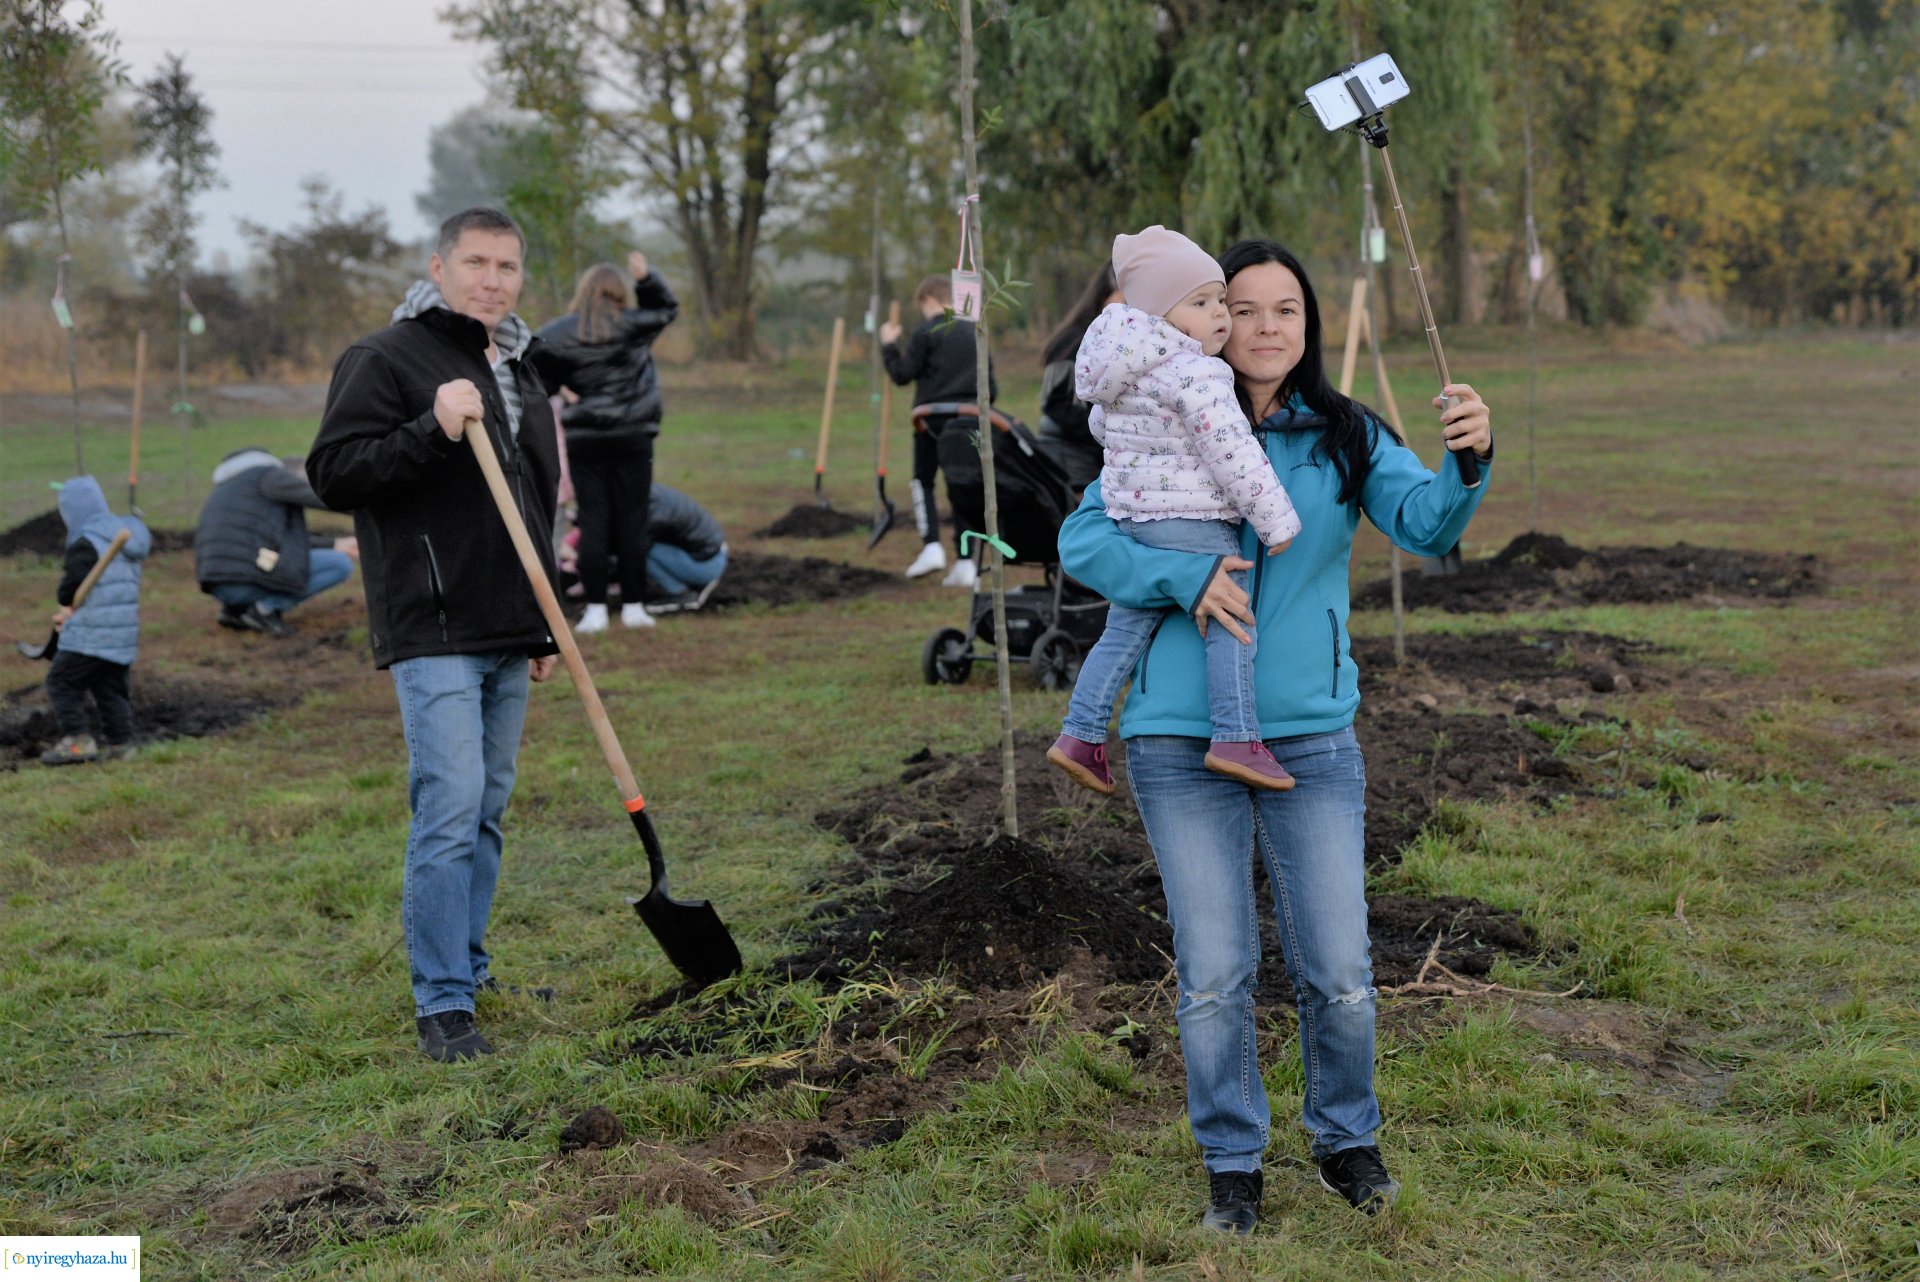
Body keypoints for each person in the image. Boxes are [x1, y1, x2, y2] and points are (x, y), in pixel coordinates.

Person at [1056, 238, 1493, 1236]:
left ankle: (1347, 1141)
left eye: (1284, 310)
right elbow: (1085, 535)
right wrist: (1182, 577)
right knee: (1215, 974)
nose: (1261, 327)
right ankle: (1232, 1165)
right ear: (1207, 318)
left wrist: (1470, 457)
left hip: (1311, 739)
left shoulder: (1345, 435)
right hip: (1179, 737)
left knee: (1338, 969)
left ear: (1307, 326)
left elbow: (1428, 526)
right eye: (1240, 307)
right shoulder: (1159, 409)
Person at [308, 207, 562, 1064]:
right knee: (449, 808)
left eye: (508, 267)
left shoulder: (518, 367)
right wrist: (430, 426)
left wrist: (545, 619)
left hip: (506, 620)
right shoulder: (388, 357)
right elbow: (335, 471)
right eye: (477, 263)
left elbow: (534, 504)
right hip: (434, 621)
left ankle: (470, 965)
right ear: (440, 266)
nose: (493, 280)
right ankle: (443, 1003)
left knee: (486, 810)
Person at [1047, 226, 1303, 796]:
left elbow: (1103, 429)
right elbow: (1233, 453)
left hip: (1136, 519)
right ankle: (1237, 736)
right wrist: (1275, 522)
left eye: (1219, 300)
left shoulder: (1122, 368)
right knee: (1232, 625)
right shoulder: (1197, 372)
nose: (1220, 315)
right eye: (1202, 302)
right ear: (1163, 312)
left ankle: (1081, 733)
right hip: (1195, 518)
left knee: (1125, 630)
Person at [535, 251, 680, 633]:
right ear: (619, 294)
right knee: (633, 520)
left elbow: (531, 366)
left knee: (593, 521)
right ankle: (634, 606)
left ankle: (595, 610)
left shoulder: (559, 332)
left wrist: (560, 389)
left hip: (585, 439)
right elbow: (666, 309)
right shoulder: (632, 326)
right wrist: (646, 279)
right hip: (634, 436)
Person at [878, 274, 999, 588]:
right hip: (969, 421)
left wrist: (889, 345)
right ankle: (965, 561)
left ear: (929, 300)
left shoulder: (927, 331)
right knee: (963, 485)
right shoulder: (975, 330)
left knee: (923, 480)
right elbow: (992, 387)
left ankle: (931, 545)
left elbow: (902, 375)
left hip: (930, 421)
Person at [39, 476, 151, 766]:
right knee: (110, 689)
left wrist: (67, 606)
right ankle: (121, 746)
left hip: (92, 634)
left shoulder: (86, 542)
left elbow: (68, 592)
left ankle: (78, 741)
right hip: (122, 633)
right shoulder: (123, 537)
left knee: (61, 681)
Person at [194, 448, 358, 637]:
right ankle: (264, 609)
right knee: (339, 565)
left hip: (219, 584)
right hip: (244, 582)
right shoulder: (270, 476)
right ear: (291, 475)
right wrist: (372, 508)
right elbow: (323, 497)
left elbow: (281, 543)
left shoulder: (232, 488)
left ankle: (236, 611)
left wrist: (334, 543)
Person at [558, 481, 728, 612]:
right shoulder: (645, 495)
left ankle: (680, 594)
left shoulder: (653, 516)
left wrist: (586, 567)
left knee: (639, 551)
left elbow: (628, 551)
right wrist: (578, 518)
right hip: (707, 554)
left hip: (707, 565)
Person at [1035, 262, 1120, 495]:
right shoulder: (1075, 340)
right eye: (1123, 300)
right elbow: (1058, 405)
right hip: (1072, 457)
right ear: (1104, 295)